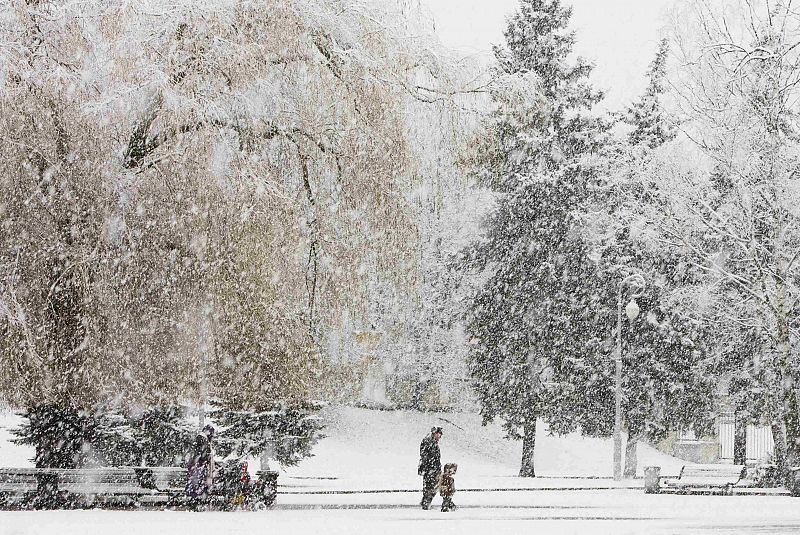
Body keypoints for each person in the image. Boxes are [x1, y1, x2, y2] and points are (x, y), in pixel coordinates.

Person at [185, 424, 216, 508]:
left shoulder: (202, 439)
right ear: (209, 432)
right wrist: (202, 461)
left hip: (198, 466)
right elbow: (200, 454)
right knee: (196, 484)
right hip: (198, 466)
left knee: (197, 484)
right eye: (212, 434)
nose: (212, 436)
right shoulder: (202, 439)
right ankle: (195, 502)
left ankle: (195, 501)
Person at [418, 426, 443, 510]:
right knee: (430, 487)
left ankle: (426, 502)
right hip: (430, 469)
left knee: (432, 487)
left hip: (432, 468)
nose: (440, 436)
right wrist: (431, 468)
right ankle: (425, 503)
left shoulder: (432, 442)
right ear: (435, 433)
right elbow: (426, 456)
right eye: (439, 434)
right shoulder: (428, 441)